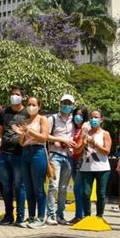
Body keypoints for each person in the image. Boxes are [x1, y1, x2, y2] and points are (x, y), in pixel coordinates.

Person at [13, 97, 48, 228]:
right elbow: (22, 143)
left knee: (38, 187)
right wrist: (21, 134)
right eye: (29, 104)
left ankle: (41, 217)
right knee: (28, 187)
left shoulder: (42, 119)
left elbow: (44, 137)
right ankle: (32, 216)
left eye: (34, 104)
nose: (31, 107)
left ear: (39, 106)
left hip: (38, 151)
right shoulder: (25, 121)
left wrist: (29, 131)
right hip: (26, 152)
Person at [0, 86, 29, 226]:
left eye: (17, 94)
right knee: (6, 186)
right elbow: (0, 132)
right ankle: (8, 214)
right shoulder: (4, 112)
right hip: (4, 154)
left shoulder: (28, 113)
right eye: (12, 94)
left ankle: (20, 216)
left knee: (19, 186)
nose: (13, 97)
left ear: (23, 97)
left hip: (20, 154)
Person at [46, 94, 76, 225]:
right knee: (53, 186)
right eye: (65, 102)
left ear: (73, 105)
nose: (67, 105)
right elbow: (45, 136)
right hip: (55, 155)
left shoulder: (75, 120)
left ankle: (60, 215)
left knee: (64, 188)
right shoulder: (52, 118)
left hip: (68, 156)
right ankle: (50, 215)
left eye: (69, 103)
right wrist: (60, 140)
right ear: (60, 103)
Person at [76, 110, 112, 219]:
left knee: (101, 194)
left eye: (96, 117)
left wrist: (95, 144)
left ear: (101, 120)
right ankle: (87, 216)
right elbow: (77, 150)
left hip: (102, 168)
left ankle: (99, 216)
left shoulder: (105, 134)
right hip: (87, 168)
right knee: (86, 193)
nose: (93, 119)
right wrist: (83, 139)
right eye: (91, 117)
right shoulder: (85, 134)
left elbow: (107, 151)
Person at [69, 106, 89, 224]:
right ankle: (79, 215)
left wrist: (79, 144)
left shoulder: (86, 128)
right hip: (72, 159)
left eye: (81, 115)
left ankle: (79, 216)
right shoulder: (71, 127)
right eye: (76, 114)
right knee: (78, 189)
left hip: (82, 161)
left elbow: (78, 149)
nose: (78, 117)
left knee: (78, 189)